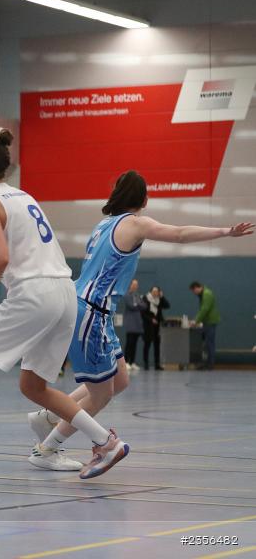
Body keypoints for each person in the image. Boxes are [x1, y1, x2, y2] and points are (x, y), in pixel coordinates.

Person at [26, 170, 252, 473]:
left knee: (120, 379)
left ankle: (50, 416)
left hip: (87, 307)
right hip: (90, 311)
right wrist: (226, 232)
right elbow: (181, 234)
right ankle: (47, 448)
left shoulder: (102, 224)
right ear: (144, 199)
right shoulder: (135, 223)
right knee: (101, 394)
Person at [0, 130, 127, 487]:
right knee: (33, 386)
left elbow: (1, 259)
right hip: (63, 292)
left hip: (35, 292)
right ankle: (106, 443)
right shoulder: (24, 196)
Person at [190, 281, 221, 370]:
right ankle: (206, 363)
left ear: (197, 288)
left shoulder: (207, 294)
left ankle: (210, 364)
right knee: (206, 343)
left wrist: (196, 321)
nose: (194, 293)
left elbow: (205, 309)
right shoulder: (204, 294)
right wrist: (198, 320)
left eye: (194, 291)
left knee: (209, 343)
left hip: (210, 321)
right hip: (207, 321)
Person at [142, 285, 169, 371]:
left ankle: (157, 364)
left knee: (157, 345)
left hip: (157, 325)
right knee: (147, 344)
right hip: (148, 325)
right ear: (150, 292)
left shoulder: (159, 300)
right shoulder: (145, 299)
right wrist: (151, 319)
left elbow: (167, 305)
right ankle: (146, 364)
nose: (155, 293)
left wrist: (162, 296)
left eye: (157, 292)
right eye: (153, 291)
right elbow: (142, 313)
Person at [121, 279, 145, 371]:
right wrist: (138, 304)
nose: (136, 286)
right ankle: (126, 362)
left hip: (138, 324)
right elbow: (131, 305)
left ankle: (132, 362)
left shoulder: (137, 295)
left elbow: (144, 306)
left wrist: (138, 304)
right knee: (129, 343)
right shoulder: (127, 295)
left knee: (135, 344)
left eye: (137, 285)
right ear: (130, 285)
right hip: (130, 324)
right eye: (134, 285)